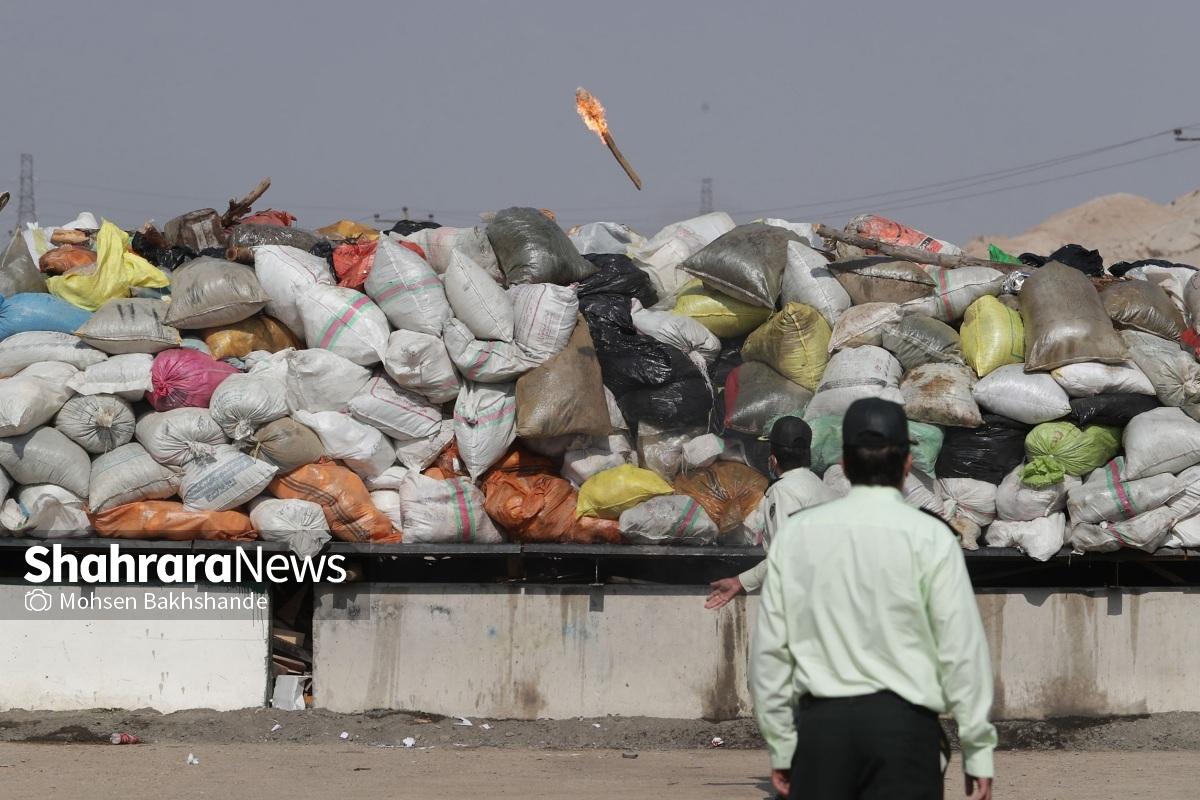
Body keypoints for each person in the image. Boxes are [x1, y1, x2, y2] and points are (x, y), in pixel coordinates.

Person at [750, 398, 996, 800]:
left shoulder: (798, 535)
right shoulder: (931, 536)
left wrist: (782, 746)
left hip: (821, 735)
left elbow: (771, 653)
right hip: (906, 737)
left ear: (844, 465)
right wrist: (978, 748)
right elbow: (962, 649)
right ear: (906, 465)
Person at [705, 417, 835, 610]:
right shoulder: (820, 486)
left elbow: (786, 557)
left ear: (773, 459)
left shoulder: (783, 491)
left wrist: (740, 581)